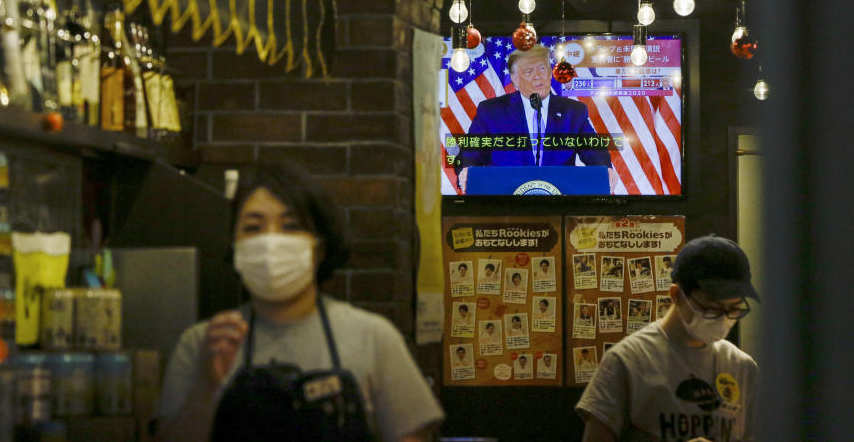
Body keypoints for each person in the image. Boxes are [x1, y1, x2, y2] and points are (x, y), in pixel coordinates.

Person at [156, 162, 444, 442]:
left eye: (291, 226)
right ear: (235, 247)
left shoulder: (373, 338)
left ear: (319, 247)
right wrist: (205, 386)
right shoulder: (201, 344)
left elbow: (412, 435)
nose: (271, 242)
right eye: (253, 228)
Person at [577, 235, 760, 442]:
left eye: (733, 309)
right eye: (712, 308)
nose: (723, 319)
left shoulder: (742, 367)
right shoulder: (626, 362)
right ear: (676, 295)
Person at [457, 45, 614, 191]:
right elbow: (469, 154)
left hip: (558, 203)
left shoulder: (573, 111)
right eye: (529, 72)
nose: (538, 77)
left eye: (542, 69)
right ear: (515, 79)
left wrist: (605, 169)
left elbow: (595, 151)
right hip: (505, 204)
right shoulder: (491, 111)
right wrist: (466, 171)